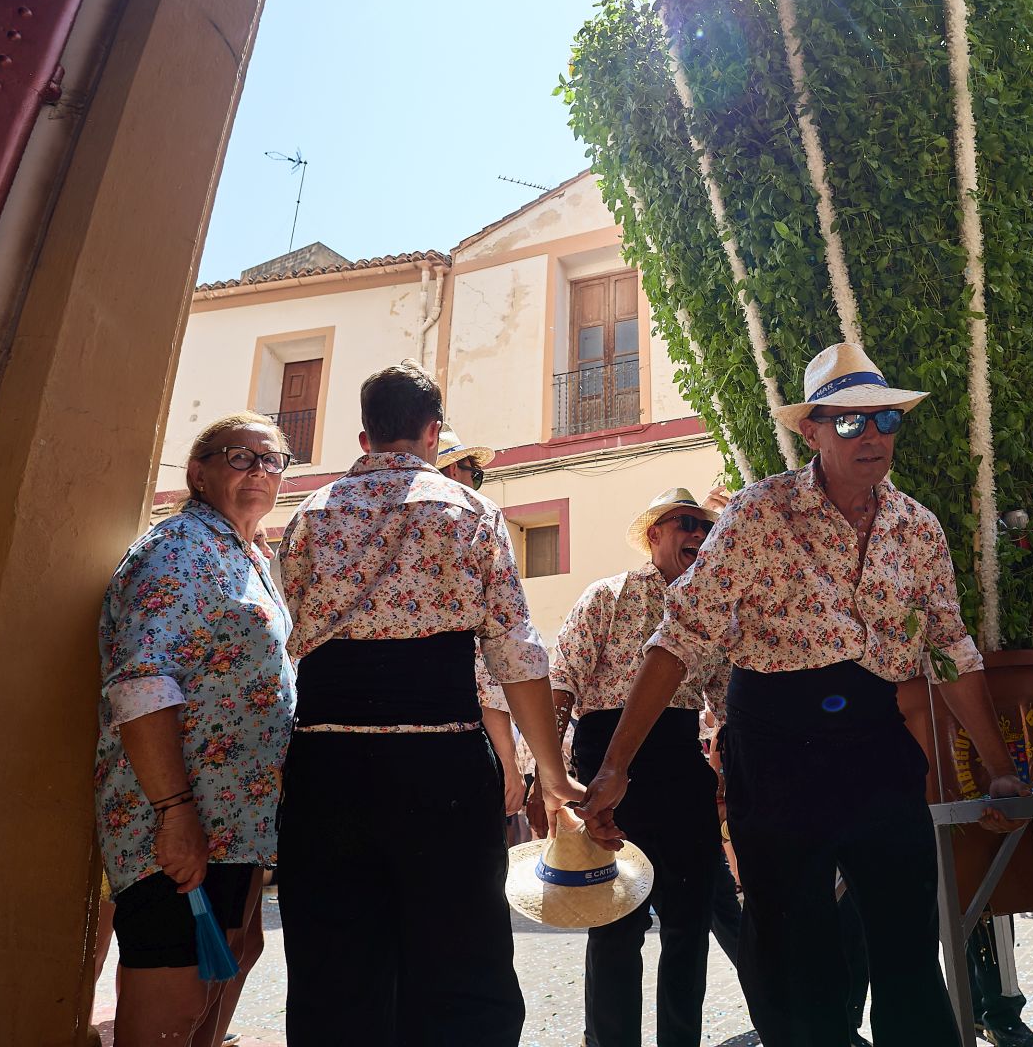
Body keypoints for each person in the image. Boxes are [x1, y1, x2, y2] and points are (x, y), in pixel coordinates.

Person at [580, 342, 1029, 1047]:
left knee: (909, 950)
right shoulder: (759, 514)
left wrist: (999, 765)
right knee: (799, 957)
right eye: (849, 423)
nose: (871, 436)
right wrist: (613, 766)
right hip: (778, 750)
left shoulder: (917, 527)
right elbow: (679, 637)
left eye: (883, 420)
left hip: (879, 748)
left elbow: (951, 651)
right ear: (810, 431)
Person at [275, 361, 584, 1046]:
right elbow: (515, 652)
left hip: (327, 767)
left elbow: (284, 649)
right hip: (439, 764)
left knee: (335, 969)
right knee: (460, 966)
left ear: (365, 435)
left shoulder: (306, 517)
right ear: (433, 431)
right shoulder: (468, 511)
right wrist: (552, 775)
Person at [94, 412, 296, 1047]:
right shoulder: (179, 547)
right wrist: (175, 811)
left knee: (223, 970)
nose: (259, 471)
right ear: (199, 472)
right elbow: (141, 683)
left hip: (235, 823)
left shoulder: (245, 555)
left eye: (272, 461)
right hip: (179, 823)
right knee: (172, 994)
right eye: (241, 457)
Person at [551, 487, 729, 1047]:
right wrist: (548, 781)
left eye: (705, 528)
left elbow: (726, 705)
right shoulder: (608, 595)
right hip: (607, 771)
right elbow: (563, 683)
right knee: (613, 928)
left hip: (681, 765)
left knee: (688, 928)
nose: (697, 536)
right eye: (684, 525)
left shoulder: (714, 610)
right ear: (654, 536)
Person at [435, 427, 532, 831]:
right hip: (462, 743)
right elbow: (493, 671)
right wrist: (509, 766)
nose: (475, 481)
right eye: (473, 471)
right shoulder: (475, 517)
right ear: (453, 471)